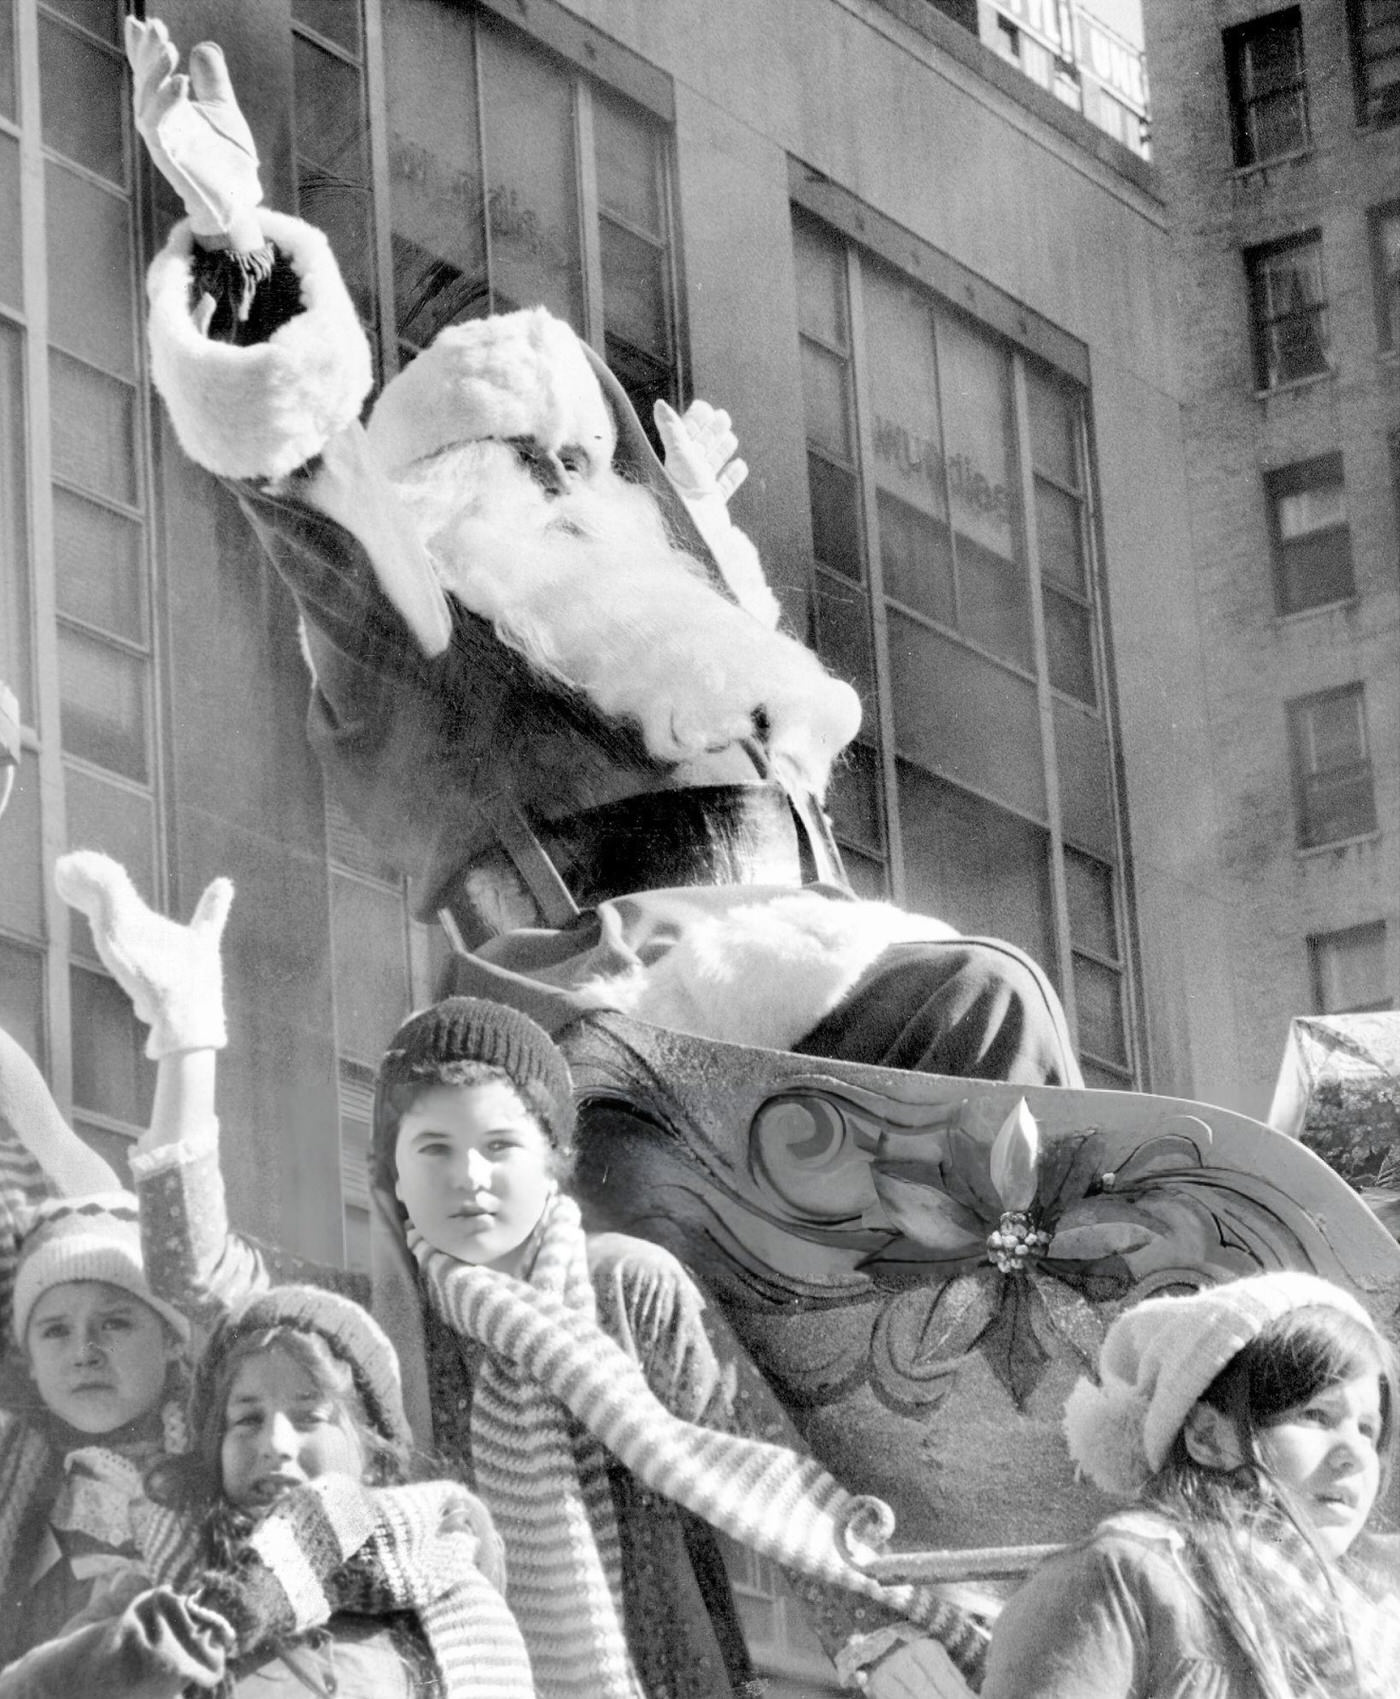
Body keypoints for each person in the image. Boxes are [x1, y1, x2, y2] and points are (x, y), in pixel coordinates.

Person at [123, 17, 1081, 1092]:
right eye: (528, 464)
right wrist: (238, 237)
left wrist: (701, 532)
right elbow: (312, 491)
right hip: (609, 992)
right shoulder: (441, 641)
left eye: (583, 462)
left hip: (822, 969)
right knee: (984, 997)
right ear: (449, 489)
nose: (573, 491)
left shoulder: (662, 640)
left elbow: (688, 614)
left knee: (1000, 1015)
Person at [54, 848, 991, 1699]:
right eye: (435, 1149)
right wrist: (185, 1042)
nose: (468, 1177)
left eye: (500, 1145)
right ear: (395, 1179)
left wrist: (873, 1633)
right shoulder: (374, 1334)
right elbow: (199, 1275)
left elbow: (752, 1463)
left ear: (553, 1159)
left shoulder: (630, 1286)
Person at [0, 1281, 535, 1698]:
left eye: (308, 1417)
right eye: (247, 1420)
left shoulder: (448, 1598)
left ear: (373, 1452)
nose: (275, 1443)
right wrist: (229, 1610)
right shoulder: (162, 1584)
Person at [980, 1271, 1400, 1699]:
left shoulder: (1374, 1619)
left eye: (1367, 1429)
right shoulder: (1120, 1578)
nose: (1355, 1455)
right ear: (1206, 1436)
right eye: (1316, 1415)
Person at [0, 1193, 191, 1668]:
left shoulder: (215, 1452)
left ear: (169, 1339)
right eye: (56, 1331)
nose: (85, 1351)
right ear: (32, 1363)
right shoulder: (11, 1466)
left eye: (115, 1322)